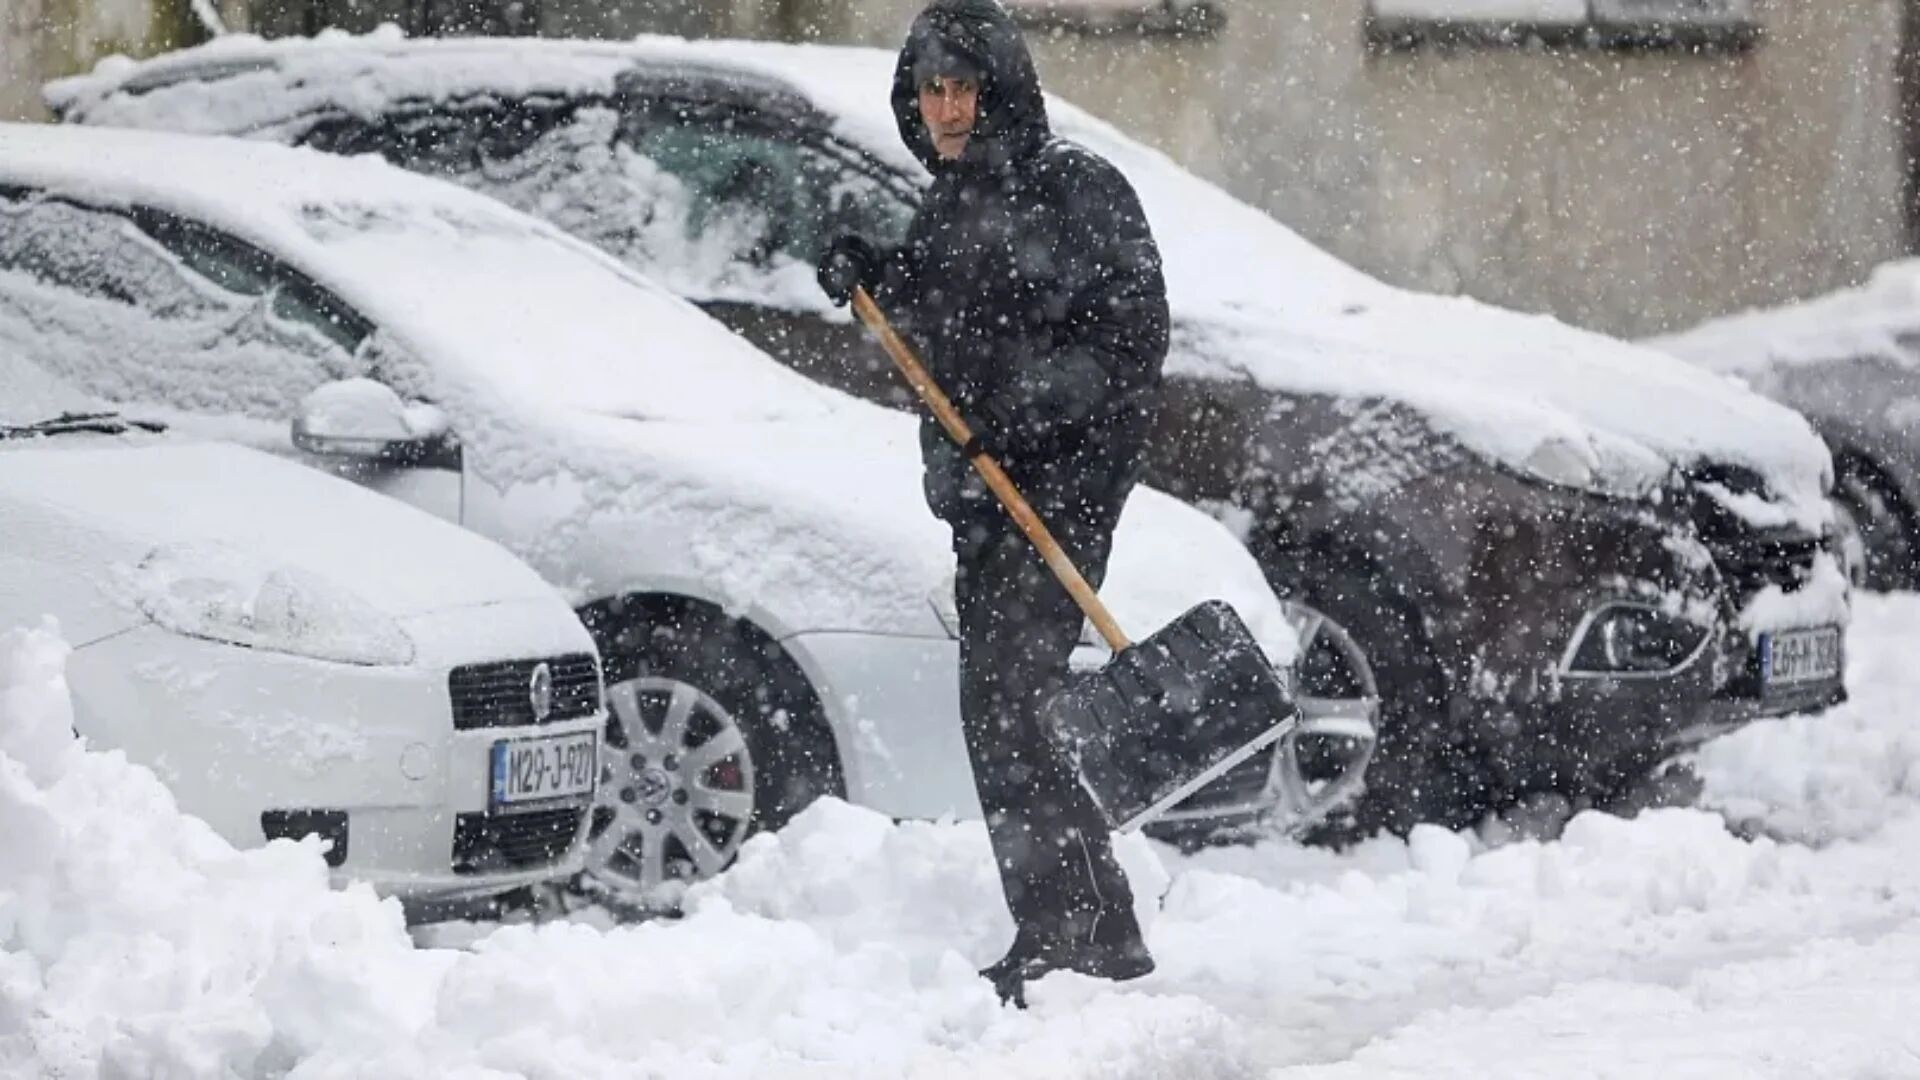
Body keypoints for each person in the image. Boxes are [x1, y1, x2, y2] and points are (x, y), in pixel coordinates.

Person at [815, 0, 1171, 1006]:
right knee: (1003, 711)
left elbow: (1129, 341)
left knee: (1012, 705)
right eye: (930, 88)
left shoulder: (1078, 190)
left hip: (1059, 491)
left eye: (964, 85)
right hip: (981, 500)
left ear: (1002, 85)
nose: (947, 106)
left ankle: (1077, 934)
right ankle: (1086, 924)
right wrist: (869, 267)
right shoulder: (951, 205)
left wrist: (1023, 415)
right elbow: (935, 319)